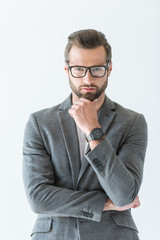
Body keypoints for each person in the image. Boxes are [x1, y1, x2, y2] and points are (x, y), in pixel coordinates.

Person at [23, 29, 148, 240]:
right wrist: (105, 204)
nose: (88, 78)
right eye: (79, 69)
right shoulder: (40, 123)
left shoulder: (132, 122)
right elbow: (39, 198)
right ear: (67, 69)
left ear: (109, 69)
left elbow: (124, 194)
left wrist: (93, 131)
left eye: (97, 69)